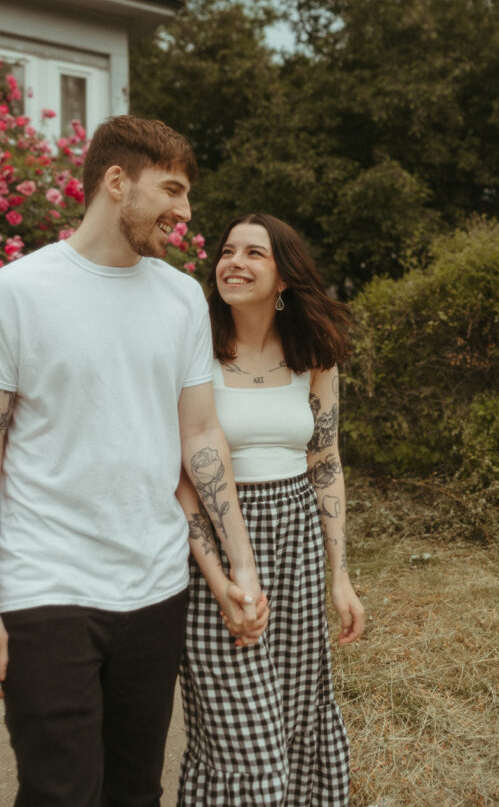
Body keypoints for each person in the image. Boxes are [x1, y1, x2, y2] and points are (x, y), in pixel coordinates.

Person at [0, 115, 266, 807]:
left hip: (153, 587)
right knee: (61, 791)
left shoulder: (178, 298)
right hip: (44, 586)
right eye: (172, 190)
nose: (184, 213)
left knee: (133, 792)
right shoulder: (18, 293)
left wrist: (239, 564)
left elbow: (201, 437)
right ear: (116, 182)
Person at [176, 212, 365, 806]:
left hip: (299, 542)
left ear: (283, 276)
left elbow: (326, 460)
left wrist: (340, 577)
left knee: (296, 718)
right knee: (245, 743)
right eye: (228, 250)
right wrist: (222, 572)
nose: (234, 262)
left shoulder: (314, 354)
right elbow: (179, 477)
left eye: (254, 253)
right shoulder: (192, 350)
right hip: (214, 552)